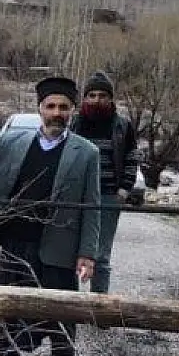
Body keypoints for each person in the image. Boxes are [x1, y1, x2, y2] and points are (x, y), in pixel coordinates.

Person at [0, 77, 100, 356]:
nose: (56, 113)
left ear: (73, 111)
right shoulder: (14, 140)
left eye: (63, 107)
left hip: (59, 250)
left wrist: (87, 253)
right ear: (39, 109)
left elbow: (93, 207)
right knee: (7, 309)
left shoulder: (86, 153)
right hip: (15, 244)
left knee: (61, 317)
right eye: (50, 106)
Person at [70, 71, 139, 294]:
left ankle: (100, 307)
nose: (96, 100)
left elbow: (131, 158)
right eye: (91, 95)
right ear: (84, 98)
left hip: (108, 195)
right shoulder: (75, 123)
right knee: (69, 248)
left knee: (101, 253)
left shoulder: (122, 125)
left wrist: (124, 189)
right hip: (77, 195)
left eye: (102, 95)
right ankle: (64, 303)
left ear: (110, 98)